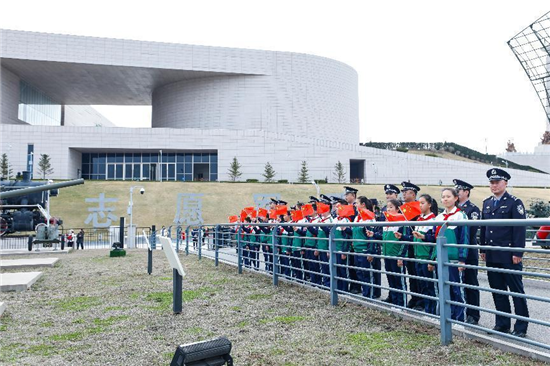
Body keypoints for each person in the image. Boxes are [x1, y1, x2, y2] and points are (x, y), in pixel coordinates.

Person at [480, 168, 529, 338]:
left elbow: (519, 229)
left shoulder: (514, 202)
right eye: (491, 182)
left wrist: (518, 252)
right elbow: (484, 227)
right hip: (493, 254)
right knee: (498, 290)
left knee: (516, 291)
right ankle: (502, 323)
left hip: (509, 255)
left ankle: (521, 326)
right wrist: (483, 249)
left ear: (505, 183)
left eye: (497, 182)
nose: (494, 185)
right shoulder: (486, 203)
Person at [424, 188, 469, 321]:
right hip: (440, 259)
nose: (445, 199)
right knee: (443, 289)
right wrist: (432, 259)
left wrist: (462, 259)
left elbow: (464, 238)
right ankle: (446, 318)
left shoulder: (461, 215)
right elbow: (435, 239)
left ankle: (459, 319)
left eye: (448, 196)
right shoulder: (439, 217)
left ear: (456, 198)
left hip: (453, 260)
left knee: (456, 289)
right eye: (443, 197)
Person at [367, 199, 408, 307]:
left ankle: (402, 304)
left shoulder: (402, 222)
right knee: (391, 280)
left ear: (398, 209)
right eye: (387, 207)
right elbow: (384, 237)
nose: (388, 209)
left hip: (396, 256)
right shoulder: (386, 223)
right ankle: (394, 302)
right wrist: (374, 234)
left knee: (399, 281)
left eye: (391, 207)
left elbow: (405, 241)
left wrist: (401, 256)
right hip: (387, 255)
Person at [454, 179, 481, 325]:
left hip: (469, 251)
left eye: (459, 190)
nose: (456, 193)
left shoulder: (473, 209)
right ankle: (460, 311)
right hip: (455, 251)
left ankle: (473, 314)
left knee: (470, 282)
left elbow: (470, 231)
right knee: (457, 282)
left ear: (466, 192)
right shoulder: (454, 209)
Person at [410, 194, 438, 314]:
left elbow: (434, 239)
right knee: (423, 286)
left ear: (429, 205)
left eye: (422, 203)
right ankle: (427, 309)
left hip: (427, 257)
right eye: (419, 203)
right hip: (418, 257)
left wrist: (432, 259)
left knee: (431, 287)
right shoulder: (419, 219)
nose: (420, 205)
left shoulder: (433, 220)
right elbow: (416, 238)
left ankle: (433, 312)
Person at [399, 181, 423, 311]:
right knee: (412, 274)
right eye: (402, 191)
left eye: (405, 192)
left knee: (419, 274)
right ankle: (414, 297)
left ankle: (421, 300)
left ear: (413, 194)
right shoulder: (405, 208)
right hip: (408, 244)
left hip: (417, 244)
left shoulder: (418, 208)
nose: (403, 194)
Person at [353, 196, 380, 299]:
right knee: (360, 273)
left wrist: (370, 251)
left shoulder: (369, 217)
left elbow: (371, 236)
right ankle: (366, 293)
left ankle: (370, 295)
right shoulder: (357, 217)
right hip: (357, 249)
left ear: (363, 204)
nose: (355, 205)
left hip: (365, 249)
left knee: (367, 274)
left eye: (357, 203)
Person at [344, 186, 362, 294]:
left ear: (353, 196)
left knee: (356, 266)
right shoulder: (347, 208)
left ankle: (357, 286)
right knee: (351, 264)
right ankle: (353, 284)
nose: (346, 196)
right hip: (349, 239)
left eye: (348, 195)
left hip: (355, 239)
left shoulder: (356, 209)